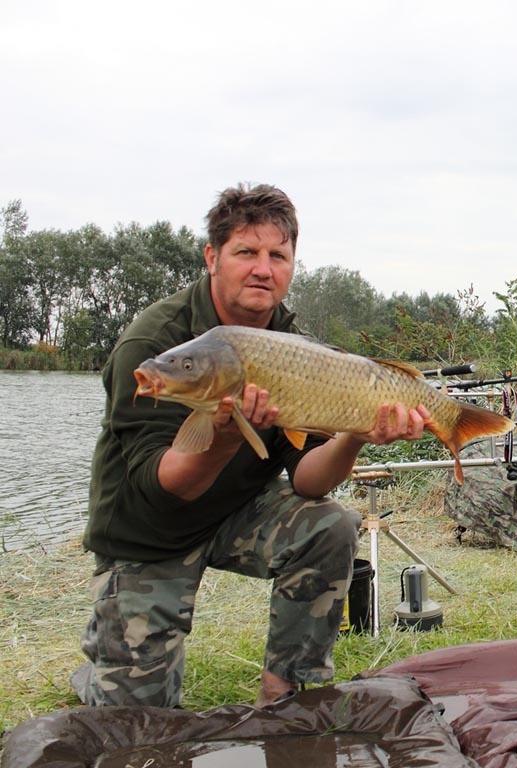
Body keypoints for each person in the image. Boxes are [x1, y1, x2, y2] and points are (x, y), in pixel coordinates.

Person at [73, 182, 429, 709]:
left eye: (278, 255)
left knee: (332, 524)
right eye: (246, 252)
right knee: (137, 717)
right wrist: (220, 431)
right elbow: (168, 489)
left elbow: (309, 479)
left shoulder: (290, 345)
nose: (263, 268)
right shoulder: (156, 349)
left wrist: (357, 432)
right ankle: (104, 670)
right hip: (148, 532)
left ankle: (285, 690)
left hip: (238, 511)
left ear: (291, 265)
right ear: (212, 257)